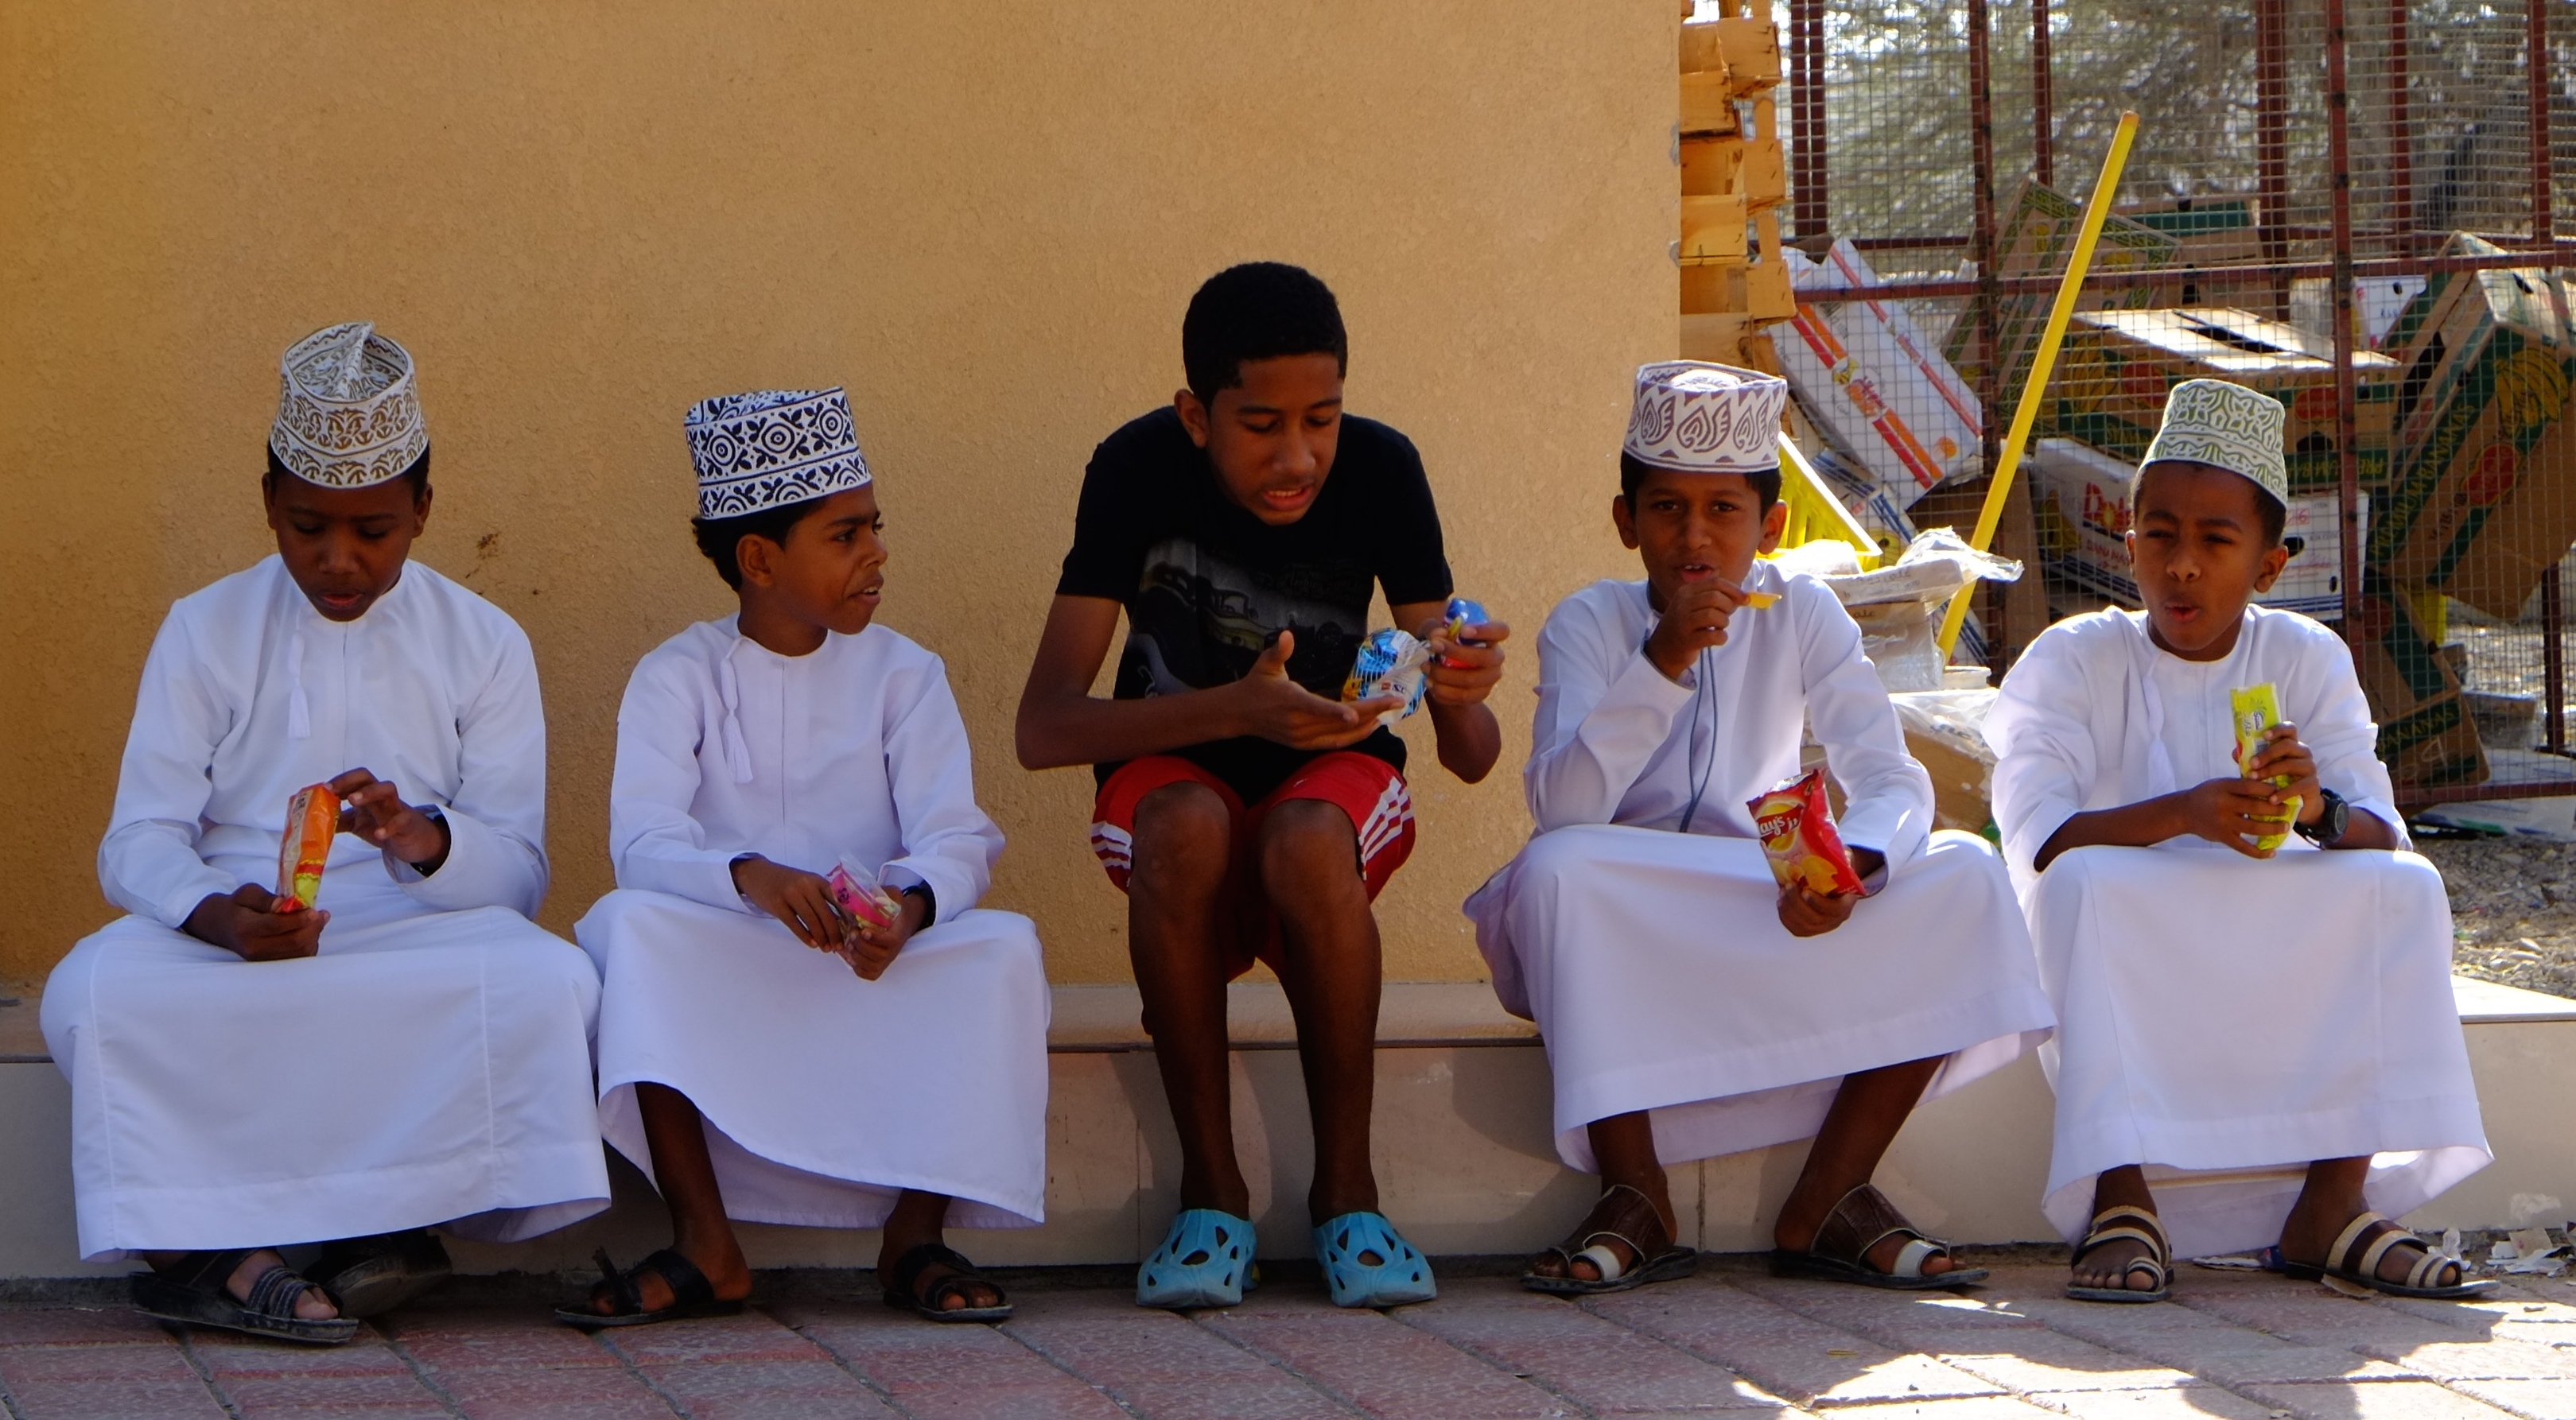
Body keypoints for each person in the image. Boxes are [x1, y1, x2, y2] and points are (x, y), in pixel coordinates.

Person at [41, 322, 609, 1344]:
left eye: (374, 531)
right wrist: (219, 915)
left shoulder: (484, 641)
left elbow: (518, 874)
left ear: (423, 511)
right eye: (308, 526)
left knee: (549, 980)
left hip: (413, 921)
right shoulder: (204, 627)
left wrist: (420, 838)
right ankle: (218, 1256)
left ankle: (382, 1223)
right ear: (268, 502)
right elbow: (138, 840)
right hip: (235, 923)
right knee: (89, 991)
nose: (338, 559)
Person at [1466, 361, 2054, 1297]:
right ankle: (1635, 1194)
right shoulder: (1588, 622)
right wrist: (1660, 662)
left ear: (1769, 527)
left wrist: (1847, 869)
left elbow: (1889, 779)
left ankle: (1830, 1194)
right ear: (1625, 521)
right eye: (1666, 509)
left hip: (1768, 900)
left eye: (1722, 511)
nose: (1694, 537)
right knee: (1555, 868)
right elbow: (1565, 810)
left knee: (1965, 874)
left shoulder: (1803, 613)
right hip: (1636, 915)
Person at [1015, 262, 1506, 1309]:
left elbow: (1470, 754)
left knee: (1307, 837)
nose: (1297, 458)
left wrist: (1462, 687)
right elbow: (1043, 726)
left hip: (1328, 783)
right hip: (1171, 778)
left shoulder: (1382, 468)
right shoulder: (1134, 468)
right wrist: (1234, 711)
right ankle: (1210, 1199)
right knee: (1184, 821)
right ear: (1196, 415)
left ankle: (1349, 1201)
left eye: (1321, 419)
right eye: (1260, 425)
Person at [1985, 378, 2492, 1303]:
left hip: (2264, 916)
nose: (2180, 566)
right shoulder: (2074, 655)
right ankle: (2121, 1196)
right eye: (2159, 535)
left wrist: (2311, 808)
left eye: (2214, 542)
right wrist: (2184, 815)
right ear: (2127, 541)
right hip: (2129, 921)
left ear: (2267, 566)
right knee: (2077, 883)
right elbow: (2038, 838)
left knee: (2406, 887)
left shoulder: (2304, 656)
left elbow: (2377, 830)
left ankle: (2330, 1203)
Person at [563, 388, 1048, 1329]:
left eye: (874, 528)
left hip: (874, 957)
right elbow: (642, 844)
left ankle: (914, 1237)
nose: (876, 554)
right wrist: (753, 879)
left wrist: (907, 910)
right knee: (627, 929)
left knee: (1004, 949)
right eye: (844, 535)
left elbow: (955, 836)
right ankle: (705, 1244)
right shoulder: (676, 674)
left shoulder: (905, 673)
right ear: (758, 559)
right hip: (736, 946)